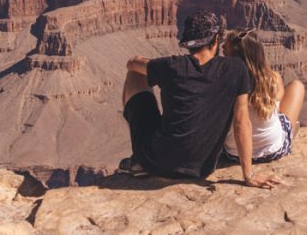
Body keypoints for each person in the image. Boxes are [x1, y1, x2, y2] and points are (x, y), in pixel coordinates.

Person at [119, 11, 283, 189]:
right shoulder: (236, 69)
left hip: (157, 162)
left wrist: (150, 64)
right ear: (215, 41)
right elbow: (241, 122)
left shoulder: (170, 66)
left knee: (135, 75)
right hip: (203, 168)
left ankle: (139, 160)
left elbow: (132, 64)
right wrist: (248, 175)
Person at [221, 29, 305, 164]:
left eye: (226, 47)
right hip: (273, 151)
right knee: (297, 86)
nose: (222, 48)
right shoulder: (273, 79)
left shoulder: (222, 81)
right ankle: (287, 131)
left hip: (234, 154)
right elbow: (279, 97)